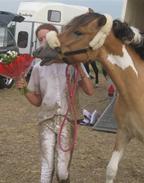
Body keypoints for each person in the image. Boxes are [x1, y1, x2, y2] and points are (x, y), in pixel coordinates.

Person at [16, 23, 94, 183]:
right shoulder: (38, 68)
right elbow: (37, 101)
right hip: (46, 120)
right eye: (40, 39)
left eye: (47, 37)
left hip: (68, 120)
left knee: (62, 172)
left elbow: (90, 91)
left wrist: (79, 67)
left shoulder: (72, 64)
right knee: (46, 167)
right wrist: (24, 90)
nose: (44, 41)